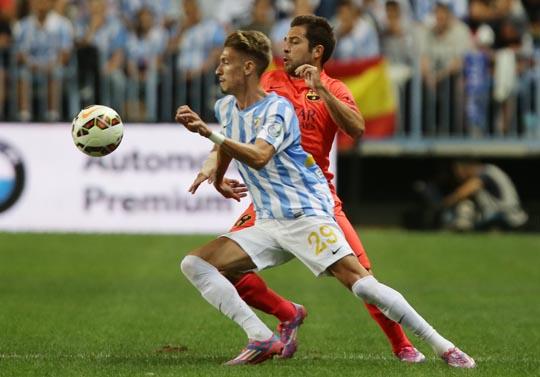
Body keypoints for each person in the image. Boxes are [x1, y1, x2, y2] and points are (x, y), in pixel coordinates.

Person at [177, 29, 476, 368]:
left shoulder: (279, 108)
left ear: (248, 68)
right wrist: (217, 177)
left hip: (306, 213)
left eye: (225, 62)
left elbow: (259, 156)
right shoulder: (226, 106)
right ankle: (262, 336)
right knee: (196, 264)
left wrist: (206, 131)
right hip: (268, 218)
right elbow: (228, 141)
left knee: (362, 284)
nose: (217, 69)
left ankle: (443, 346)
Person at [440, 160, 528, 231]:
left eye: (458, 171)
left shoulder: (486, 172)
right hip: (512, 215)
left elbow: (463, 192)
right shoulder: (490, 170)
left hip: (507, 217)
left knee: (465, 207)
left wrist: (444, 203)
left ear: (466, 168)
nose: (459, 175)